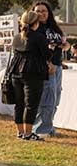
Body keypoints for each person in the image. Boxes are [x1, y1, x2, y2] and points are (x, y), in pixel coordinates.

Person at [9, 11, 51, 141]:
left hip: (16, 72)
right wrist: (52, 48)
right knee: (31, 104)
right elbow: (47, 55)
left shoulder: (17, 37)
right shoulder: (39, 37)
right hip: (33, 72)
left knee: (19, 103)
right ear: (36, 23)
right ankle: (28, 134)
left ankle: (20, 132)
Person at [32, 1, 69, 137]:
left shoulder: (54, 27)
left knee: (55, 99)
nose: (41, 13)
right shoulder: (35, 28)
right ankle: (41, 129)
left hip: (57, 66)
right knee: (46, 99)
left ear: (49, 13)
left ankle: (49, 126)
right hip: (45, 67)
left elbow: (64, 44)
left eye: (44, 11)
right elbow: (35, 50)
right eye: (38, 11)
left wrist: (66, 46)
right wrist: (48, 64)